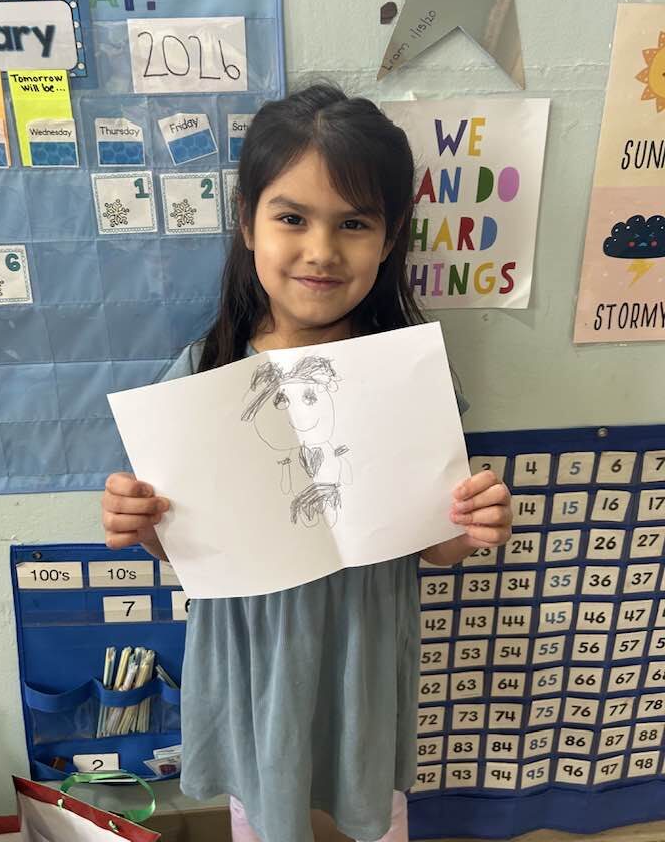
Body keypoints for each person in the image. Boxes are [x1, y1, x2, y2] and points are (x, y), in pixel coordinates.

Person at [101, 84, 512, 842]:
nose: (322, 251)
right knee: (265, 805)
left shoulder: (408, 375)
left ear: (389, 237)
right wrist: (142, 522)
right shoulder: (202, 373)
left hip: (363, 643)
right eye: (292, 218)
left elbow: (435, 544)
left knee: (374, 807)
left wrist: (469, 528)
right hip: (255, 649)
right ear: (247, 222)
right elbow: (183, 546)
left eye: (354, 223)